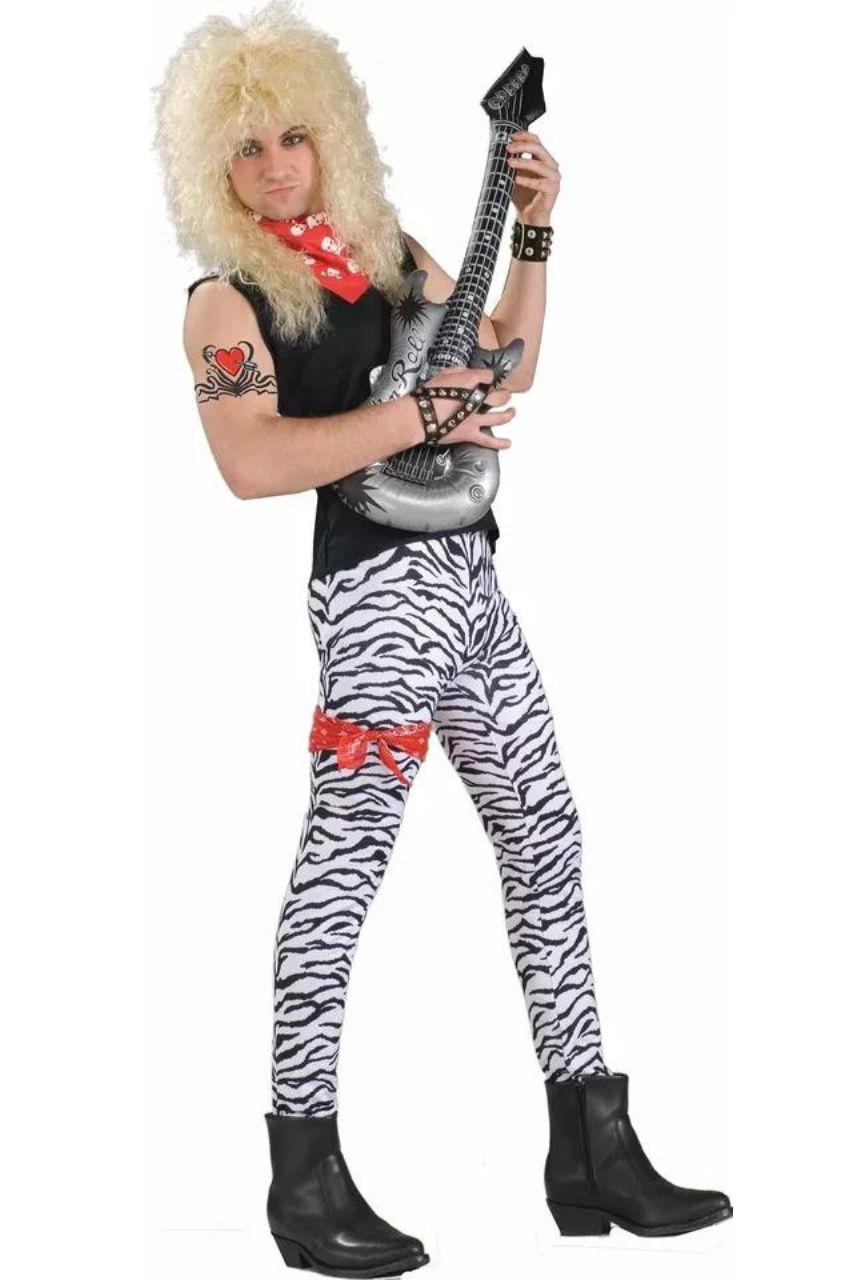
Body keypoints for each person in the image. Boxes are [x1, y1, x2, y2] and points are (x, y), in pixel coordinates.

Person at [152, 1, 732, 1273]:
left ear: (330, 134)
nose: (277, 165)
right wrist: (417, 416)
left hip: (472, 577)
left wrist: (535, 229)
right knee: (344, 864)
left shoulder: (388, 256)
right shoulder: (226, 305)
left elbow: (504, 366)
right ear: (214, 167)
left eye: (293, 135)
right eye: (247, 147)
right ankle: (302, 1176)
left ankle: (590, 1146)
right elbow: (252, 463)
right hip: (373, 599)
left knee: (546, 837)